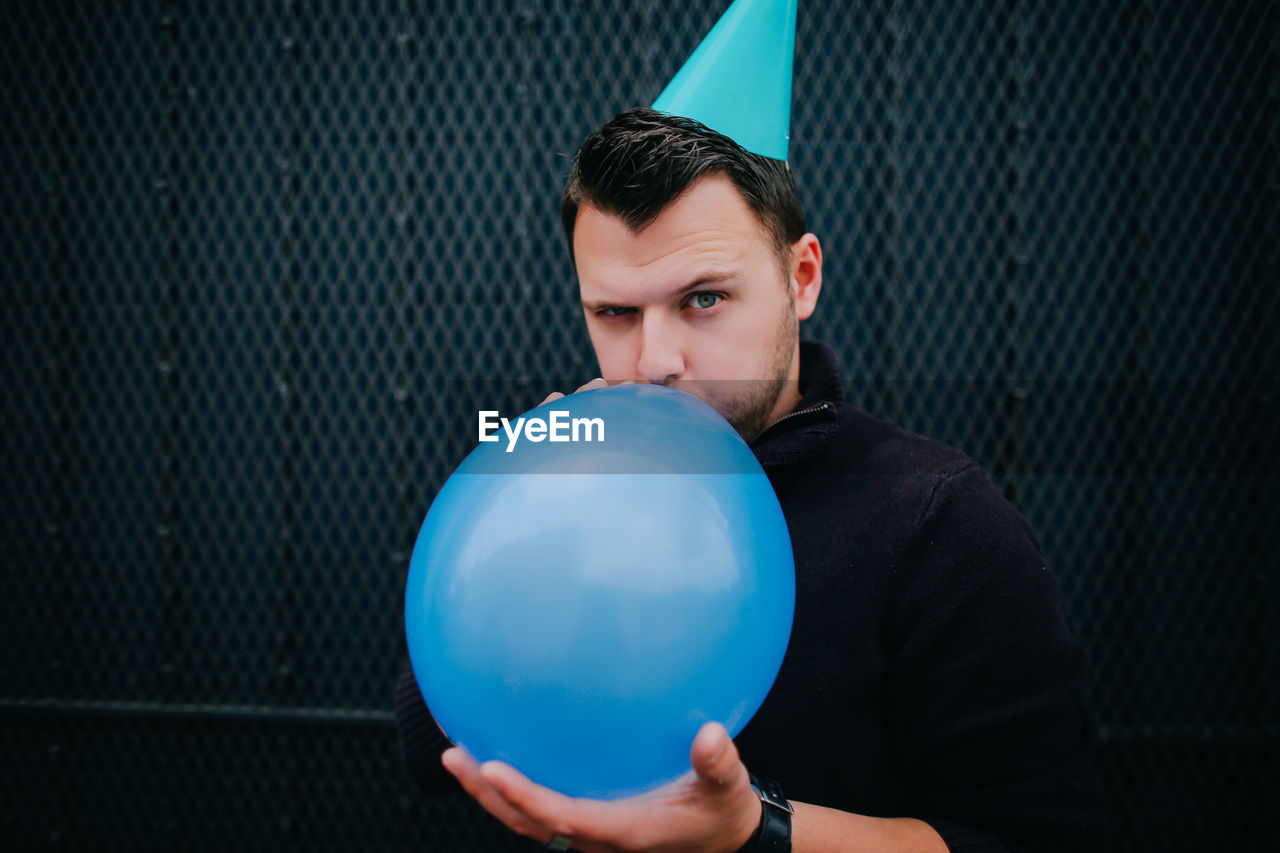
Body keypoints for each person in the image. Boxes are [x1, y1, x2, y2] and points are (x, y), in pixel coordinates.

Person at [395, 107, 1107, 852]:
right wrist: (512, 514)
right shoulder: (570, 480)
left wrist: (755, 833)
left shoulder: (941, 523)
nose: (654, 360)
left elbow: (1039, 836)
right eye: (614, 311)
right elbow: (430, 753)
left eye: (702, 298)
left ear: (801, 278)